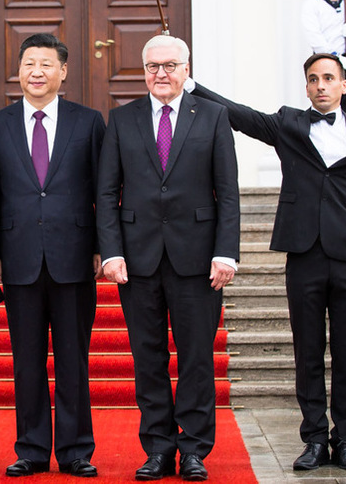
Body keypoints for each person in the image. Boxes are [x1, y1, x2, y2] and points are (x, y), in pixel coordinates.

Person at [187, 53, 346, 472]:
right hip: (304, 254)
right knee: (307, 350)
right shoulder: (289, 124)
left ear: (343, 86)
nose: (321, 85)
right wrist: (191, 85)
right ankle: (315, 439)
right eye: (313, 79)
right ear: (306, 87)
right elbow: (239, 116)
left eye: (329, 79)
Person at [96, 35, 240, 482]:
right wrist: (112, 251)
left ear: (186, 69)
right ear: (143, 71)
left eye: (170, 65)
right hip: (137, 260)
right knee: (148, 356)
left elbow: (228, 193)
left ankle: (195, 449)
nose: (161, 73)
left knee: (197, 357)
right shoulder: (121, 120)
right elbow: (105, 192)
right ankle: (158, 447)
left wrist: (226, 253)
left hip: (198, 259)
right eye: (153, 66)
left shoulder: (214, 117)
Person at [0, 34, 105, 479]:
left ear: (63, 71)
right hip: (18, 259)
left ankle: (75, 450)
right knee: (26, 359)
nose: (37, 71)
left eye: (46, 63)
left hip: (73, 257)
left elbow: (102, 192)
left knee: (74, 359)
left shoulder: (88, 123)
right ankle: (31, 448)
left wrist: (99, 248)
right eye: (29, 62)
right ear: (19, 70)